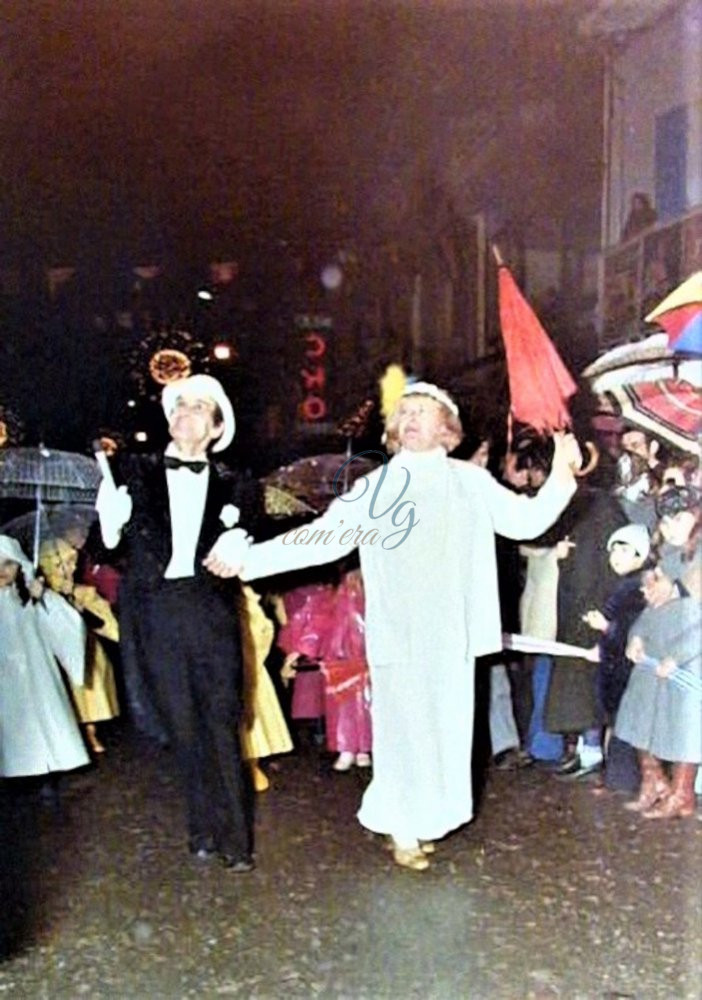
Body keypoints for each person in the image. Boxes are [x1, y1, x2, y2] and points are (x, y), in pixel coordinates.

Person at [238, 382, 581, 870]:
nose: (415, 418)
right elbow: (323, 540)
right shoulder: (379, 487)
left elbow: (525, 523)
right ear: (396, 427)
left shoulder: (469, 481)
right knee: (402, 732)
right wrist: (251, 560)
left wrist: (562, 474)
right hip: (399, 631)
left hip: (454, 633)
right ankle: (400, 826)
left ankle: (428, 819)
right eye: (407, 411)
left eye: (427, 411)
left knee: (447, 731)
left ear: (447, 428)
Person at [95, 373, 256, 872]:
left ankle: (237, 838)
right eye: (180, 406)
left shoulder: (237, 483)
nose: (187, 414)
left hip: (209, 613)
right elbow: (106, 551)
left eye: (199, 408)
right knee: (182, 726)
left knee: (221, 721)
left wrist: (242, 539)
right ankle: (201, 825)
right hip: (157, 612)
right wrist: (110, 522)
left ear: (215, 427)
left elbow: (255, 540)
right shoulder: (134, 474)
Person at [0, 535, 89, 782]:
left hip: (37, 673)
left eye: (8, 563)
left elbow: (63, 627)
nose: (1, 571)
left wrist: (43, 599)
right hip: (6, 677)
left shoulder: (28, 596)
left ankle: (47, 773)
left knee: (44, 719)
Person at [39, 538, 120, 755]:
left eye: (72, 562)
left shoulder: (83, 592)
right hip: (58, 654)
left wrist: (80, 605)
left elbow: (105, 623)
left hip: (86, 650)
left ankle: (91, 731)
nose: (71, 568)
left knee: (89, 692)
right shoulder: (42, 595)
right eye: (63, 564)